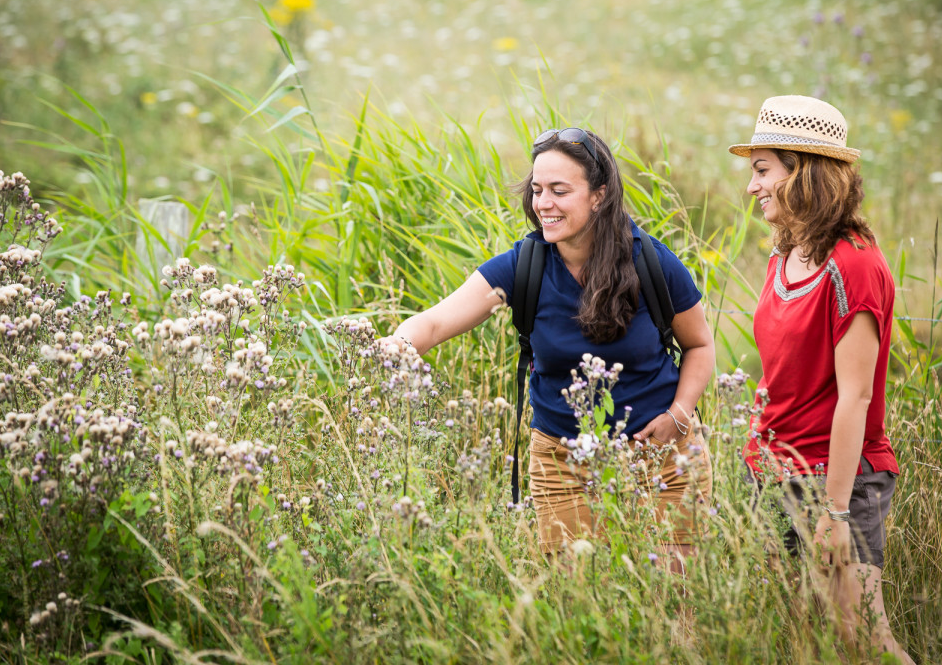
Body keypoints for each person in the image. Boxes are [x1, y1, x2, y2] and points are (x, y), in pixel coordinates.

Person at [384, 127, 716, 565]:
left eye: (560, 191)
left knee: (672, 606)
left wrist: (680, 413)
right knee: (578, 608)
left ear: (599, 195)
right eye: (538, 190)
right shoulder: (525, 266)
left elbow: (700, 345)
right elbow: (435, 321)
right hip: (562, 462)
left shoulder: (648, 260)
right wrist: (398, 343)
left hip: (662, 457)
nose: (543, 203)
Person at [729, 95, 915, 663]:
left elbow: (855, 397)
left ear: (804, 174)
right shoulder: (784, 257)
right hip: (775, 470)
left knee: (862, 640)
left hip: (840, 480)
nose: (752, 186)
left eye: (763, 170)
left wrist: (835, 513)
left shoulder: (853, 264)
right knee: (796, 640)